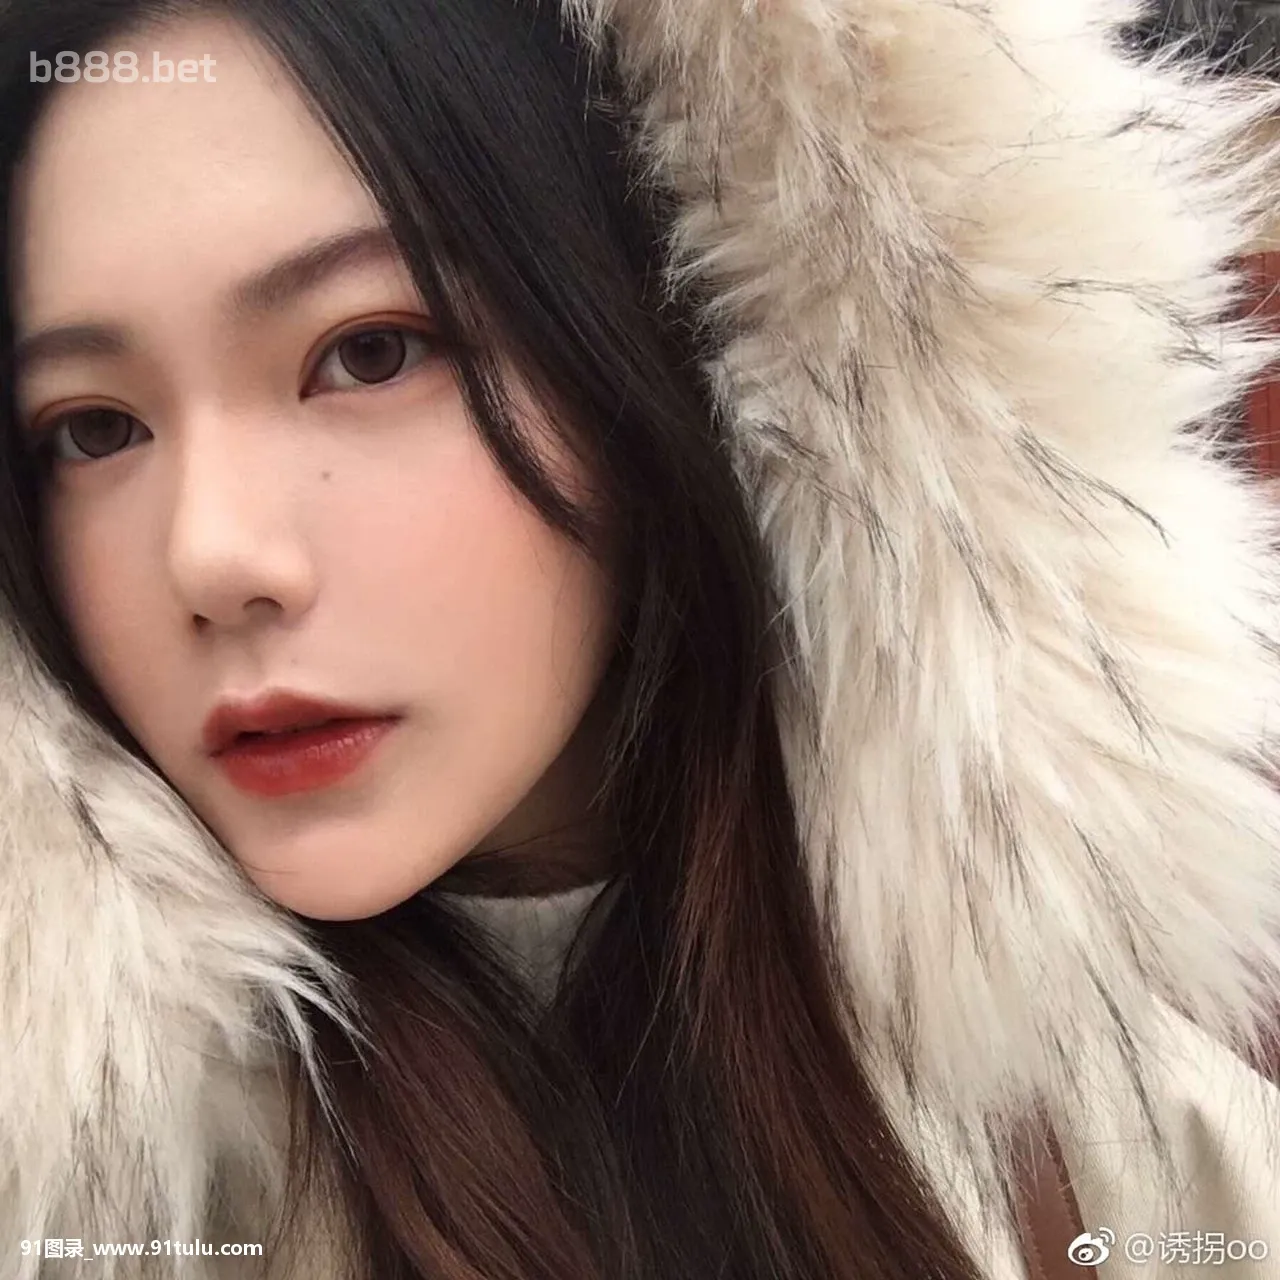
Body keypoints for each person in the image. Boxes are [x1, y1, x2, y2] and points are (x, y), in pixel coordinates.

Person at [0, 1, 1278, 1277]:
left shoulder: (1117, 1148)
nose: (212, 558)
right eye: (94, 429)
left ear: (678, 348)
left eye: (370, 352)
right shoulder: (98, 1207)